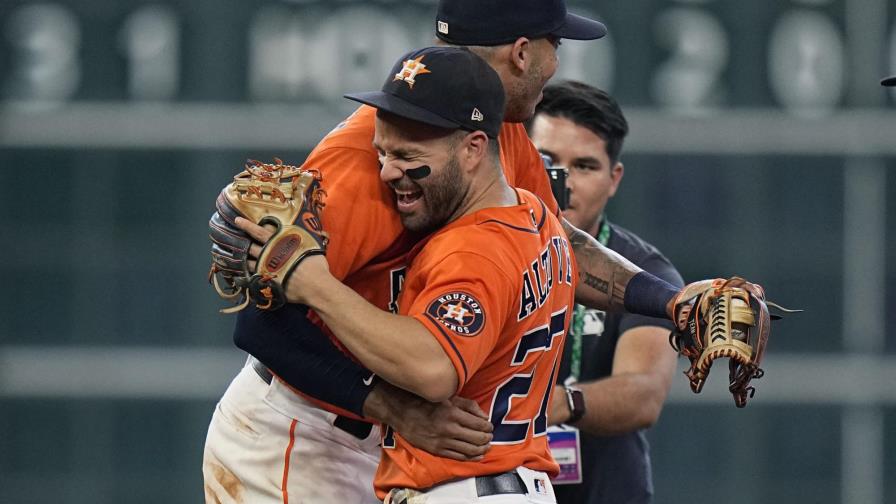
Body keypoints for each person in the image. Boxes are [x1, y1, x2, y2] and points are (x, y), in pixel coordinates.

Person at [203, 0, 693, 502]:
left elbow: (555, 245)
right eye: (556, 44)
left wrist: (671, 303)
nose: (556, 63)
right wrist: (392, 407)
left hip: (399, 439)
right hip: (305, 435)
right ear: (522, 52)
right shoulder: (364, 167)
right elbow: (260, 324)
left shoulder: (497, 134)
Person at [238, 45, 576, 503]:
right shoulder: (535, 215)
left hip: (463, 488)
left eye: (407, 154)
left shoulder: (473, 249)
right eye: (380, 152)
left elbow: (432, 369)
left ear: (474, 147)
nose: (387, 171)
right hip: (505, 483)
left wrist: (313, 283)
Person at [526, 81, 683, 504]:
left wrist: (558, 403)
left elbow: (644, 394)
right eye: (546, 160)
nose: (564, 181)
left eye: (584, 166)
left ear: (614, 179)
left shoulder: (647, 273)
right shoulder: (476, 250)